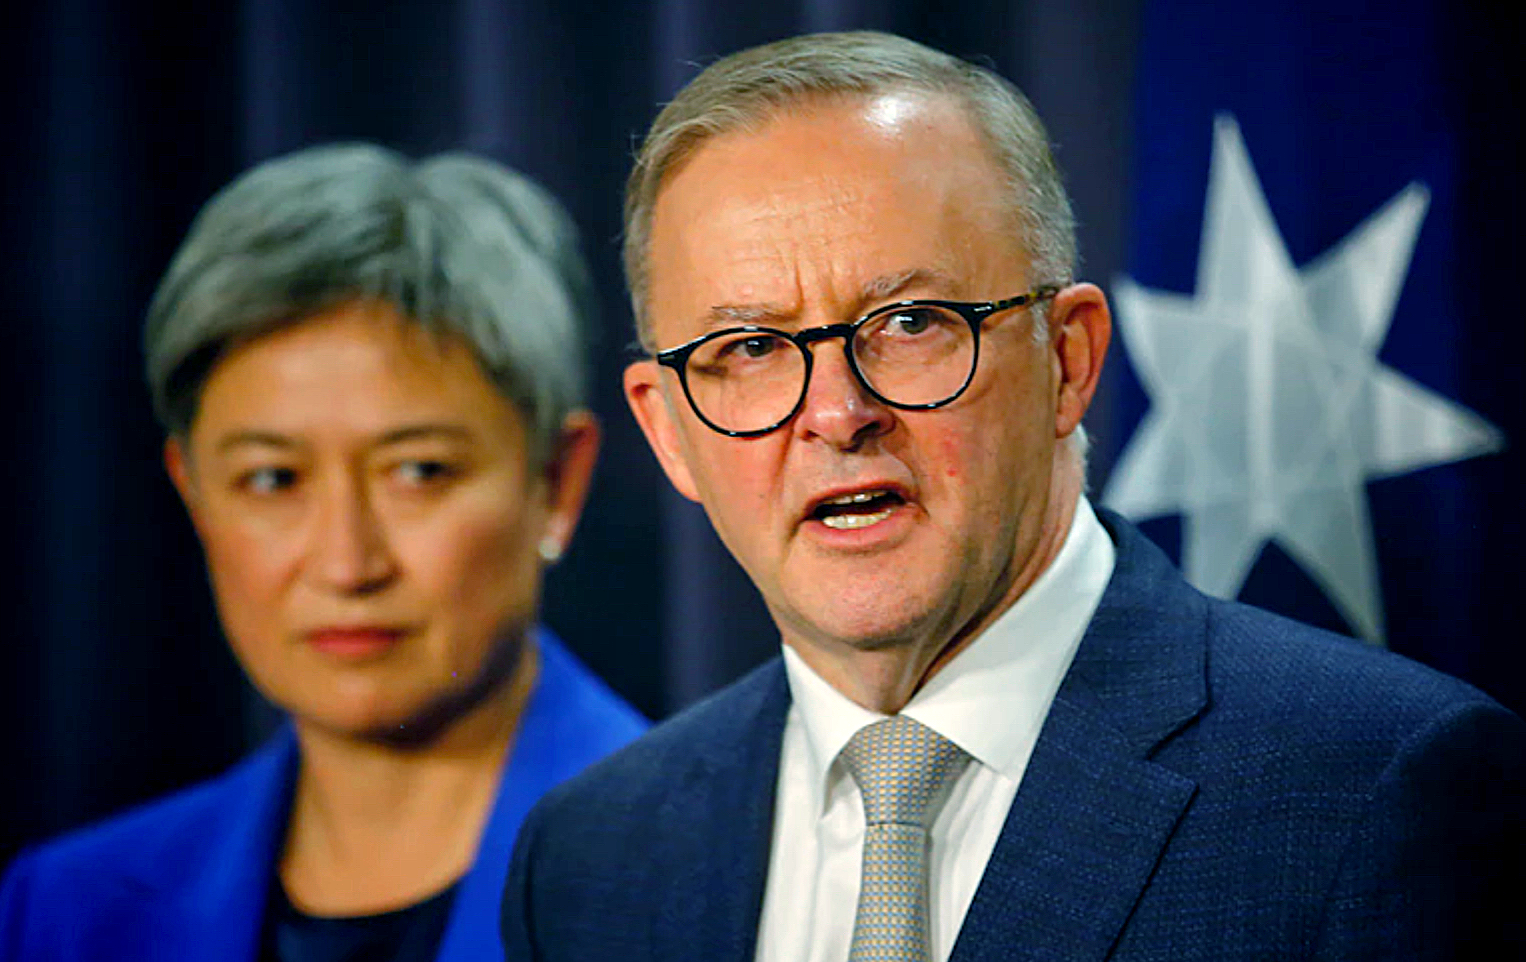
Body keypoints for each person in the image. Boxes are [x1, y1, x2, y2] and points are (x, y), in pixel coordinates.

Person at [501, 31, 1525, 961]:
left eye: (910, 323)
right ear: (667, 431)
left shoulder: (1374, 787)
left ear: (1067, 359)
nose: (836, 412)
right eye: (752, 348)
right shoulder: (590, 857)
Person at [0, 143, 646, 962]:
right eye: (272, 479)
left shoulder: (719, 867)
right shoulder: (66, 913)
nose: (346, 564)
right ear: (194, 493)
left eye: (419, 471)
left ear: (556, 482)